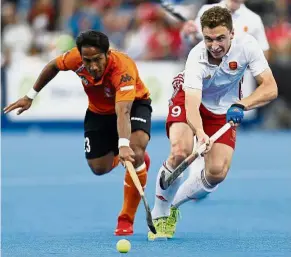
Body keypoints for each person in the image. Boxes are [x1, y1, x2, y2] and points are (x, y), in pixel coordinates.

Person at [3, 30, 152, 236]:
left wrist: (124, 143)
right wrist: (30, 96)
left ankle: (126, 217)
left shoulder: (123, 68)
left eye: (98, 59)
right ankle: (128, 157)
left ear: (107, 54)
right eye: (87, 60)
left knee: (134, 149)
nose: (92, 66)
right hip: (98, 112)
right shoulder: (75, 58)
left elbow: (123, 111)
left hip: (134, 105)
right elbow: (53, 66)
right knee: (99, 168)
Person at [148, 6, 277, 240]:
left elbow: (270, 87)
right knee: (180, 152)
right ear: (203, 35)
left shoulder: (247, 46)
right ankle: (160, 212)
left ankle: (172, 204)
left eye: (220, 38)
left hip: (225, 110)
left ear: (232, 33)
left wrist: (242, 105)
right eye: (208, 39)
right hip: (190, 100)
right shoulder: (196, 57)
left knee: (216, 172)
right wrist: (200, 133)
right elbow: (192, 103)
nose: (214, 45)